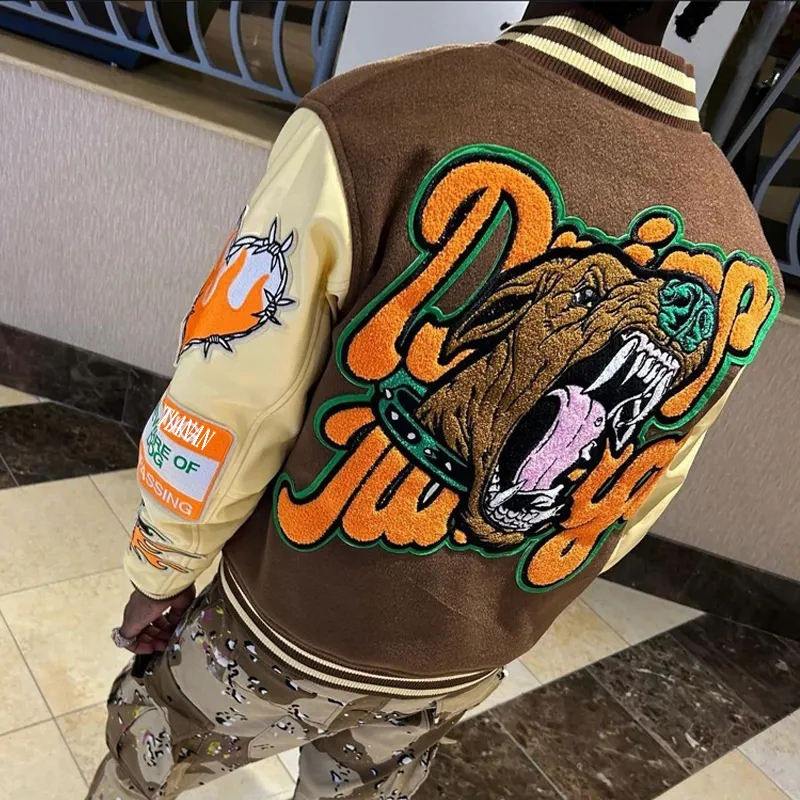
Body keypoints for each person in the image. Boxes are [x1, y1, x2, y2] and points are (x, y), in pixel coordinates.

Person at [89, 2, 783, 798]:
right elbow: (634, 500)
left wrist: (162, 567)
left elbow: (233, 391)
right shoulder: (744, 252)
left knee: (149, 757)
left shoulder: (371, 118)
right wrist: (501, 620)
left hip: (281, 627)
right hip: (460, 665)